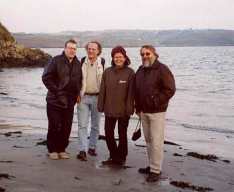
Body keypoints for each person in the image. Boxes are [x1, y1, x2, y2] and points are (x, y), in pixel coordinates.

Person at [135, 45, 176, 182]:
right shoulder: (140, 70)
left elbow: (170, 89)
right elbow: (137, 90)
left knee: (156, 141)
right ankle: (152, 166)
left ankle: (156, 170)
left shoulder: (162, 69)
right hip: (143, 111)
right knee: (148, 140)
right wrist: (137, 107)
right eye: (142, 54)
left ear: (154, 54)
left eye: (147, 53)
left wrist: (155, 101)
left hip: (157, 111)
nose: (145, 56)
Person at [42, 39, 82, 160]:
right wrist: (58, 92)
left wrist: (78, 94)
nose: (72, 50)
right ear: (65, 48)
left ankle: (62, 149)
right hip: (54, 100)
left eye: (74, 48)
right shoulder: (56, 61)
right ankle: (52, 149)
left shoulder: (77, 63)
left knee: (66, 126)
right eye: (70, 48)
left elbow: (79, 81)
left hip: (70, 101)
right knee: (54, 125)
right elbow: (46, 78)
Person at [98, 46, 135, 165]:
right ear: (113, 58)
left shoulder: (130, 73)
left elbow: (131, 93)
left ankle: (122, 157)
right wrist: (100, 105)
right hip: (109, 109)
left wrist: (130, 108)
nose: (118, 59)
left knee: (122, 134)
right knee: (108, 133)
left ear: (125, 58)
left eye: (120, 57)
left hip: (124, 110)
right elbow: (102, 90)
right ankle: (113, 155)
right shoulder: (107, 72)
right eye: (116, 57)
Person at [76, 41, 105, 161]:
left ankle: (92, 147)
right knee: (82, 125)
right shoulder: (82, 61)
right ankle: (82, 150)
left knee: (95, 125)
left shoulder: (102, 62)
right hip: (83, 97)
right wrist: (77, 93)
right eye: (89, 48)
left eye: (93, 49)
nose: (91, 51)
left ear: (98, 51)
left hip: (97, 97)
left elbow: (106, 82)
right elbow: (77, 79)